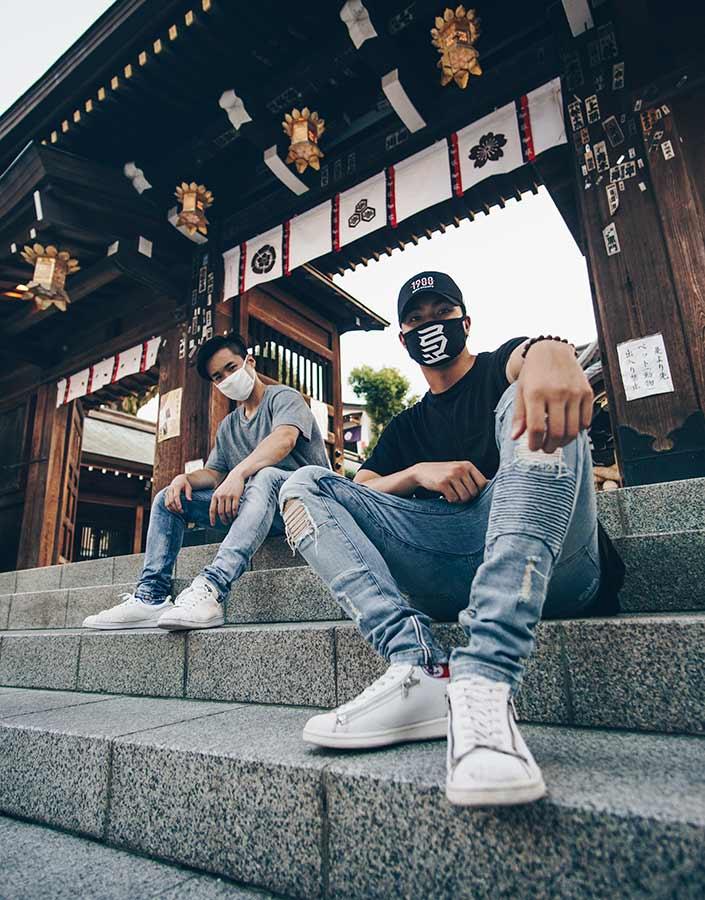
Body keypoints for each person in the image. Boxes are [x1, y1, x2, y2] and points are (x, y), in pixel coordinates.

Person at [279, 271, 623, 808]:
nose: (429, 326)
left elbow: (524, 360)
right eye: (415, 319)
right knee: (300, 484)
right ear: (402, 338)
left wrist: (550, 354)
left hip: (558, 562)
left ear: (465, 321)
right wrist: (419, 473)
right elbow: (362, 487)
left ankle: (485, 675)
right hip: (454, 561)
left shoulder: (495, 368)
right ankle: (418, 663)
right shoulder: (407, 427)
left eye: (441, 313)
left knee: (523, 400)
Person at [83, 332, 330, 632]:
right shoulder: (229, 426)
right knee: (167, 498)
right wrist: (183, 478)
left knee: (263, 476)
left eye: (231, 367)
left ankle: (212, 587)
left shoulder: (284, 397)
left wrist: (239, 473)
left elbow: (284, 439)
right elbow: (214, 472)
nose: (226, 378)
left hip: (308, 505)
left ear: (249, 362)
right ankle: (151, 597)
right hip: (261, 510)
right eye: (218, 376)